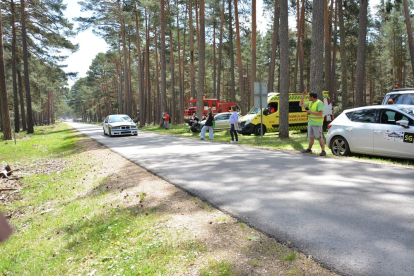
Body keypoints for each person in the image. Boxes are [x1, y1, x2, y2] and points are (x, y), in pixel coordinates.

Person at [299, 91, 326, 156]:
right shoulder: (310, 103)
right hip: (310, 123)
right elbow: (301, 104)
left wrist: (310, 112)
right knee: (311, 137)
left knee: (319, 137)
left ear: (312, 97)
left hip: (317, 124)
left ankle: (323, 151)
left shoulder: (319, 103)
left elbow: (320, 113)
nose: (308, 98)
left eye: (309, 97)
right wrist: (303, 96)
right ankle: (309, 149)